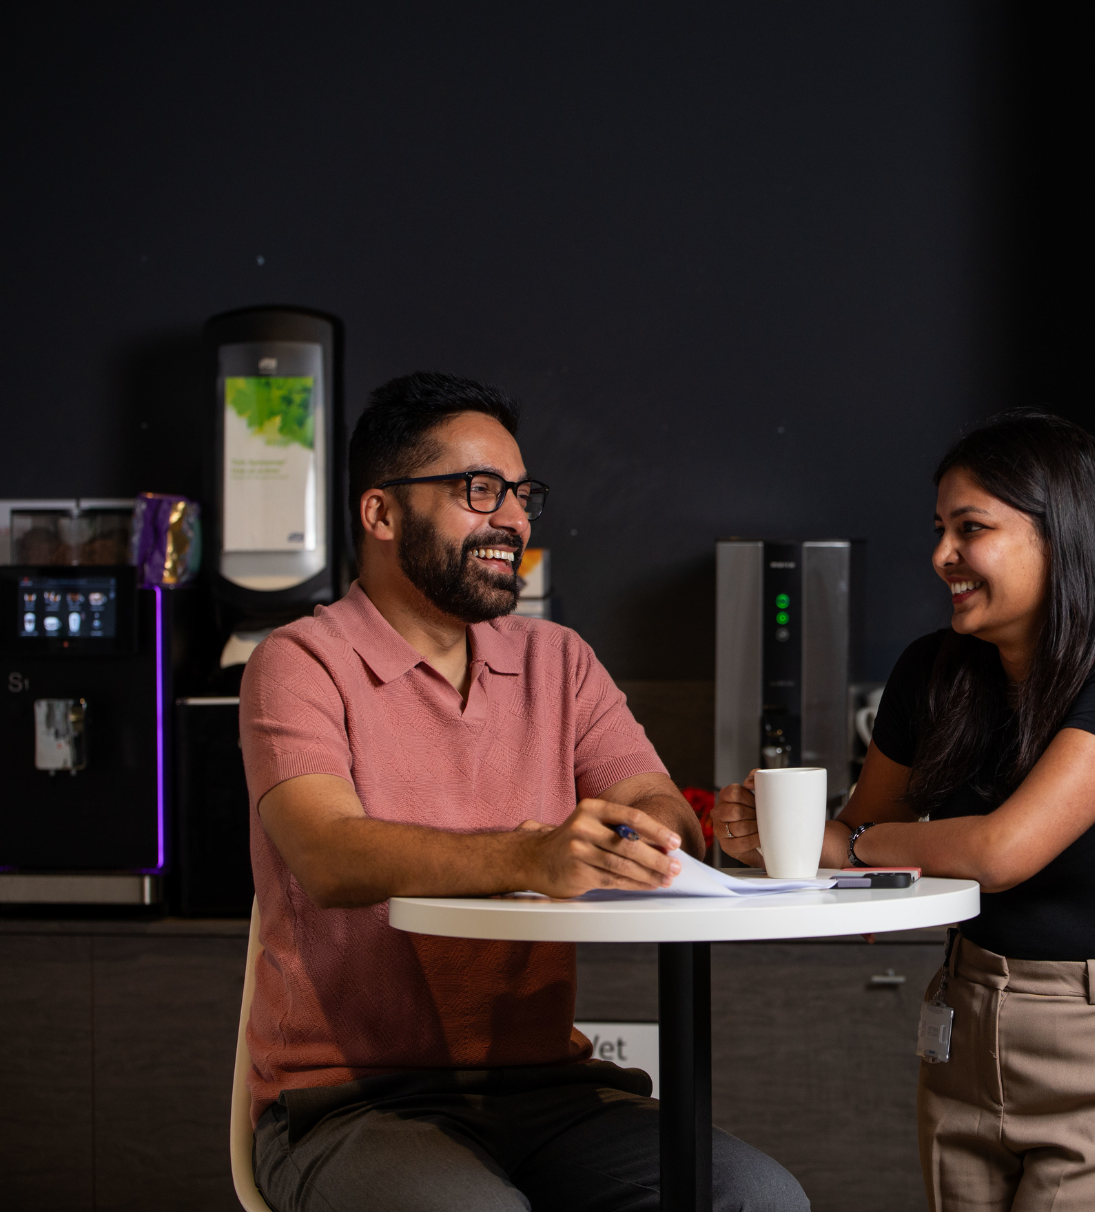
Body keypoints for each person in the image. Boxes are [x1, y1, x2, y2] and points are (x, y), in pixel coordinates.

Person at [240, 371, 807, 1212]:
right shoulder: (299, 662)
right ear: (381, 513)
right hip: (352, 1100)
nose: (514, 518)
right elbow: (327, 854)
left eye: (521, 493)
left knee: (759, 1199)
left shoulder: (557, 659)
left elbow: (656, 804)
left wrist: (640, 834)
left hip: (552, 1091)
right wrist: (534, 855)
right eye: (479, 490)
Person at [715, 409, 1095, 1212]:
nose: (942, 555)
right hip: (965, 1025)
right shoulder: (933, 671)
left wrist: (854, 845)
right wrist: (775, 840)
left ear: (1063, 533)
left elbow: (1000, 852)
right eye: (940, 529)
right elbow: (851, 836)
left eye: (971, 528)